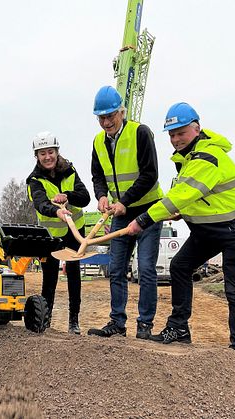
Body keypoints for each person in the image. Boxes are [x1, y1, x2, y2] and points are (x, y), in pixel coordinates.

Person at [126, 102, 235, 357]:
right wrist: (183, 213)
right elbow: (190, 196)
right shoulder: (186, 160)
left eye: (181, 133)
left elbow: (183, 195)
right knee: (180, 266)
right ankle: (179, 328)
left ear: (197, 128)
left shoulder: (207, 157)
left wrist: (143, 220)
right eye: (172, 135)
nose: (176, 139)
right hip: (209, 229)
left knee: (234, 288)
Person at [87, 86, 164, 339]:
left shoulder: (140, 133)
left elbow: (150, 174)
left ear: (122, 111)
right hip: (120, 212)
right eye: (101, 118)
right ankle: (117, 323)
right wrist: (101, 196)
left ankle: (145, 326)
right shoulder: (98, 141)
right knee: (117, 268)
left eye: (110, 116)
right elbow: (98, 175)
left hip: (148, 209)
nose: (106, 122)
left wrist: (126, 201)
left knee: (146, 268)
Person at [26, 131, 90, 334]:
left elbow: (85, 197)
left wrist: (68, 196)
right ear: (36, 156)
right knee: (50, 276)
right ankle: (46, 319)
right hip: (50, 235)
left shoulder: (70, 170)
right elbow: (41, 204)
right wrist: (56, 211)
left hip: (74, 232)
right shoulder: (34, 180)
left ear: (57, 152)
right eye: (42, 153)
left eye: (50, 152)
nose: (47, 157)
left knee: (73, 274)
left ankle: (74, 321)